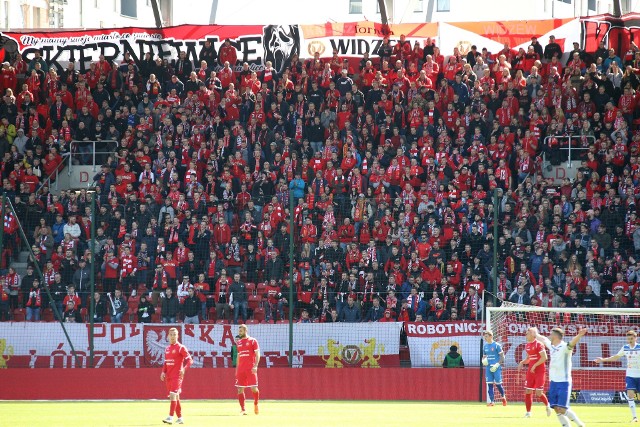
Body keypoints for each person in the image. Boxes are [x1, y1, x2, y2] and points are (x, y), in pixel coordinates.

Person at [535, 327, 587, 427]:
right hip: (553, 382)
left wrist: (579, 335)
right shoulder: (551, 346)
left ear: (555, 336)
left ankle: (580, 424)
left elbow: (572, 343)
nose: (549, 336)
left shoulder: (565, 347)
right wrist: (535, 333)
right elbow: (543, 339)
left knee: (562, 409)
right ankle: (566, 425)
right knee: (555, 407)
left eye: (551, 334)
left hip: (564, 382)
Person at [594, 330, 640, 422]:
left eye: (631, 339)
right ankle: (634, 417)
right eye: (628, 339)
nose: (630, 340)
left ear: (636, 338)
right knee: (630, 395)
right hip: (630, 375)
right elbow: (615, 357)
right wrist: (603, 360)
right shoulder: (625, 347)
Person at [161, 327, 192, 425]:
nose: (173, 336)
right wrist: (163, 372)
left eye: (175, 334)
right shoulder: (167, 348)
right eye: (171, 335)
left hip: (177, 376)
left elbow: (190, 360)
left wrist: (184, 369)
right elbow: (166, 362)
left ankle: (170, 417)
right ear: (168, 336)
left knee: (173, 395)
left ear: (178, 336)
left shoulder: (181, 347)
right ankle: (180, 418)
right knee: (176, 397)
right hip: (169, 376)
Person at [518, 327, 550, 418]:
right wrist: (522, 362)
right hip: (531, 371)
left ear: (533, 334)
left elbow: (544, 358)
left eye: (527, 333)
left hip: (539, 371)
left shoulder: (539, 344)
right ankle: (528, 413)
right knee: (528, 390)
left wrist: (535, 365)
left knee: (538, 393)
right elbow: (528, 359)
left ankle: (547, 406)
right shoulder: (527, 345)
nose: (526, 335)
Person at [235, 324, 260, 415]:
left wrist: (256, 365)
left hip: (250, 368)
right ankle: (243, 409)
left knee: (254, 388)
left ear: (246, 331)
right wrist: (237, 369)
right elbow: (239, 356)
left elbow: (258, 354)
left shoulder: (253, 341)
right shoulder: (239, 342)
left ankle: (256, 403)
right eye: (239, 331)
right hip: (241, 369)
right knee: (240, 390)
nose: (239, 333)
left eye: (241, 331)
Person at [482, 330, 507, 406]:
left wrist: (497, 365)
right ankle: (492, 402)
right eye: (484, 336)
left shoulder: (497, 345)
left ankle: (503, 397)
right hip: (488, 368)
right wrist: (483, 361)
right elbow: (484, 356)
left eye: (486, 336)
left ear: (491, 336)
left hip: (496, 368)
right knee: (489, 384)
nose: (485, 338)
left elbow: (502, 357)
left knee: (498, 384)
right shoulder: (485, 346)